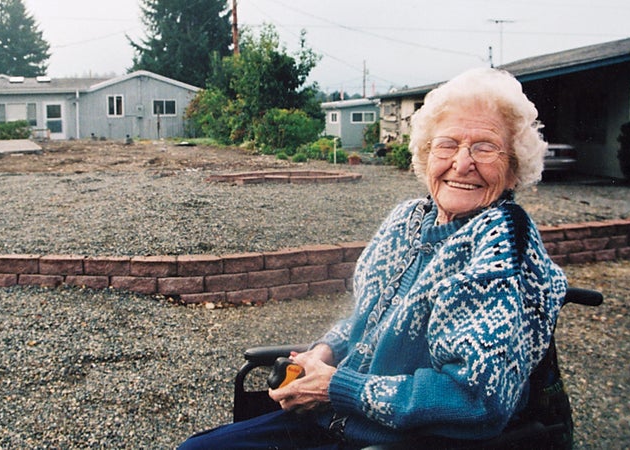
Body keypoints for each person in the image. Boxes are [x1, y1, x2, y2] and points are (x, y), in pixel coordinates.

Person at [178, 67, 568, 449]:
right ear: (426, 153)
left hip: (395, 439)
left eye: (484, 148)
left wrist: (334, 386)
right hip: (333, 418)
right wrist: (323, 352)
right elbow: (368, 320)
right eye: (447, 144)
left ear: (513, 167)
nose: (462, 163)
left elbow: (477, 400)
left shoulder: (500, 244)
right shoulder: (408, 219)